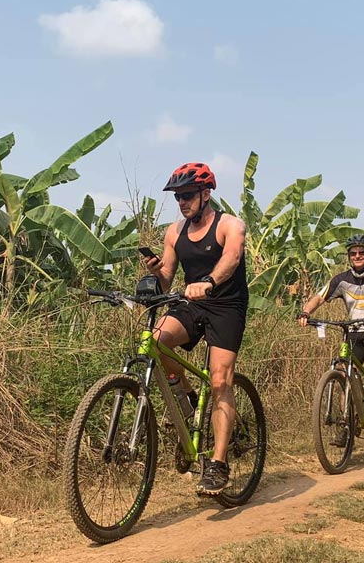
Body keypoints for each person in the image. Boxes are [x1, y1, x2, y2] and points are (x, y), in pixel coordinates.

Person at [142, 162, 248, 496]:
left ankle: (217, 463)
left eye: (187, 195)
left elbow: (231, 259)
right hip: (192, 301)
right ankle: (186, 395)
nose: (182, 202)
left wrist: (210, 281)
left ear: (206, 194)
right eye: (178, 197)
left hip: (226, 306)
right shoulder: (174, 232)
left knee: (220, 381)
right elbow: (167, 278)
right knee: (156, 341)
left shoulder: (229, 225)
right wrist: (156, 272)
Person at [297, 234, 364, 422]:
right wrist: (305, 312)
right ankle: (346, 422)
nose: (357, 256)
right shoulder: (341, 280)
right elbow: (319, 297)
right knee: (345, 373)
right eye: (353, 253)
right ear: (349, 256)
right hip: (354, 329)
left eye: (362, 252)